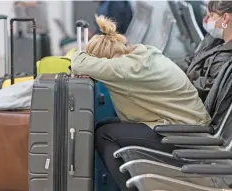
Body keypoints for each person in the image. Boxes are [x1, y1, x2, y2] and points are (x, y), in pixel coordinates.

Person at [71, 15, 211, 191]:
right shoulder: (142, 53)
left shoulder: (124, 68)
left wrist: (85, 57)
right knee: (105, 125)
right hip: (187, 125)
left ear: (105, 60)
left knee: (104, 134)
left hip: (184, 135)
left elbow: (78, 63)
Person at [177, 0, 232, 102]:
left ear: (225, 18)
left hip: (191, 104)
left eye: (211, 15)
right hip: (184, 92)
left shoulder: (226, 59)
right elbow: (193, 60)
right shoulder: (215, 39)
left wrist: (174, 80)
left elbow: (205, 91)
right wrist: (171, 69)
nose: (206, 20)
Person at [61, 1, 133, 54]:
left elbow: (114, 31)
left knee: (67, 47)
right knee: (65, 41)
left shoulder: (115, 4)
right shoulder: (105, 3)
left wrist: (93, 36)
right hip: (103, 39)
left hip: (109, 43)